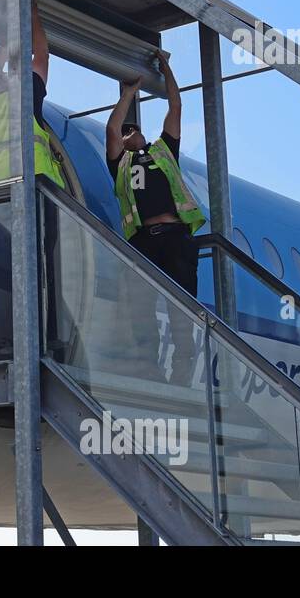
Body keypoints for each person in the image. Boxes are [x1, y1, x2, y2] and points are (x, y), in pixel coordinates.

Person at [0, 0, 66, 362]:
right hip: (31, 196)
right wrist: (35, 17)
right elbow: (40, 57)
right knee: (40, 268)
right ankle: (39, 339)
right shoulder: (20, 97)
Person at [105, 51, 206, 383]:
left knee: (181, 308)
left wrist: (166, 69)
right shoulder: (121, 163)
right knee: (142, 306)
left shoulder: (164, 150)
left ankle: (182, 368)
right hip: (144, 241)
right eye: (125, 132)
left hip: (175, 236)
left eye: (132, 130)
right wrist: (129, 93)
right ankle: (150, 365)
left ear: (142, 134)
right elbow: (111, 128)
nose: (127, 133)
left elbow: (175, 108)